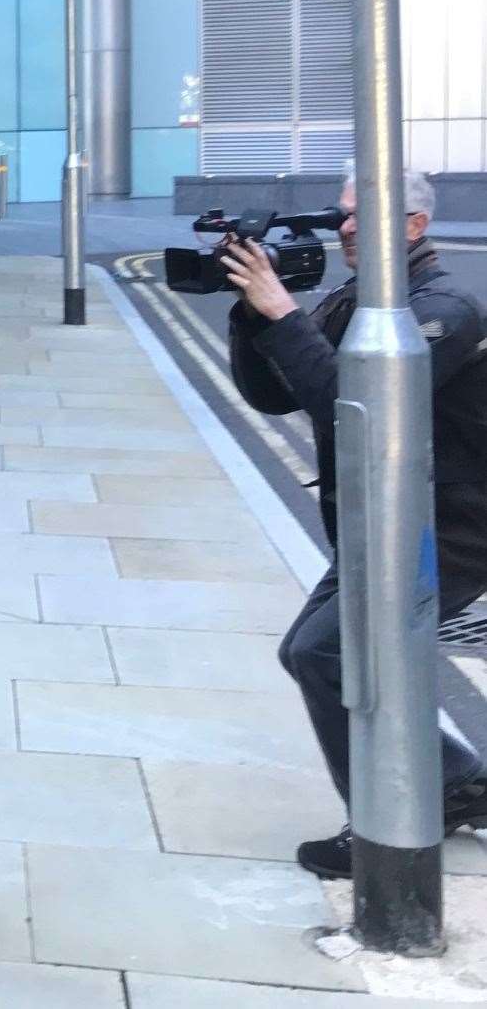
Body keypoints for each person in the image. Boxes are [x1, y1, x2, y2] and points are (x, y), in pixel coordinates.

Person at [224, 166, 487, 880]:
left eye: (363, 215)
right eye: (342, 214)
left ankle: (380, 826)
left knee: (321, 651)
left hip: (447, 531)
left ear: (415, 227)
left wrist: (279, 311)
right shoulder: (359, 302)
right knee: (314, 651)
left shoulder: (446, 308)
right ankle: (459, 778)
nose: (346, 226)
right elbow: (277, 396)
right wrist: (251, 317)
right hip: (384, 521)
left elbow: (350, 404)